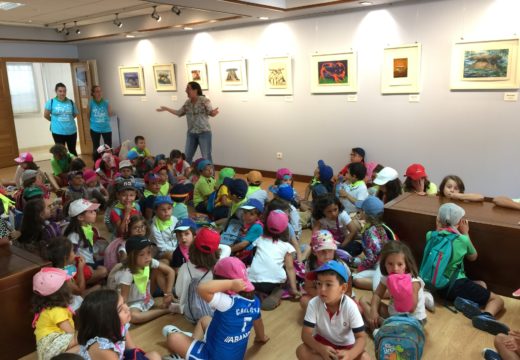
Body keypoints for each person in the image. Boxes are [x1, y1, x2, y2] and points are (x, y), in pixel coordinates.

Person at [163, 257, 269, 360]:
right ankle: (193, 342)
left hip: (211, 356)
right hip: (235, 356)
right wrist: (261, 337)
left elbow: (201, 288)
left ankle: (184, 356)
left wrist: (230, 284)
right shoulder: (254, 300)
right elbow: (258, 323)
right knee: (205, 319)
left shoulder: (227, 302)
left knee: (172, 337)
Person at [429, 203, 508, 335]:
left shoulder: (431, 235)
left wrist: (439, 227)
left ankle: (467, 302)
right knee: (497, 300)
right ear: (460, 222)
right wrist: (466, 233)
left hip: (439, 287)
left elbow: (438, 237)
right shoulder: (462, 240)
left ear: (438, 220)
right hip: (457, 285)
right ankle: (487, 316)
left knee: (482, 284)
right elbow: (473, 257)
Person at [296, 260, 369, 360]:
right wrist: (321, 349)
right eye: (318, 283)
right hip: (323, 342)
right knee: (301, 350)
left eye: (328, 284)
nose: (322, 289)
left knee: (365, 358)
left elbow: (362, 338)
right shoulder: (314, 303)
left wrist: (350, 355)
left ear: (343, 288)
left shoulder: (350, 306)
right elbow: (306, 334)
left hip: (346, 347)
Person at [108, 235, 176, 323]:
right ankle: (166, 310)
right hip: (132, 302)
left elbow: (170, 272)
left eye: (148, 252)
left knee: (158, 271)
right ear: (132, 256)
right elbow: (123, 299)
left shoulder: (150, 262)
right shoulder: (127, 273)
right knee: (134, 317)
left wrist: (168, 293)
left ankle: (170, 300)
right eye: (142, 254)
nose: (147, 257)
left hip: (145, 295)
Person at [77, 289, 160, 360]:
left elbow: (132, 350)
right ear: (105, 320)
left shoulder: (121, 325)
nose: (127, 308)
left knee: (154, 356)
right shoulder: (103, 348)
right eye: (120, 309)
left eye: (124, 303)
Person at [360, 241, 427, 329]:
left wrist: (400, 287)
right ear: (384, 264)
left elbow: (411, 308)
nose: (395, 269)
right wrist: (373, 311)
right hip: (394, 315)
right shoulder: (386, 278)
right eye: (390, 264)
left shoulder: (414, 281)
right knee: (364, 300)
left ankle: (379, 327)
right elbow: (377, 294)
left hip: (413, 320)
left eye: (400, 264)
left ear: (406, 265)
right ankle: (379, 324)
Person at [248, 209, 300, 310]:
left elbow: (253, 255)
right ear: (286, 228)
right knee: (285, 274)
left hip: (253, 281)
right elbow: (290, 268)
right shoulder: (286, 246)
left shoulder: (259, 240)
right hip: (273, 283)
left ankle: (255, 293)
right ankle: (277, 292)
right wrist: (293, 288)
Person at [156, 81, 220, 163]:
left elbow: (210, 113)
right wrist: (166, 109)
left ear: (195, 90)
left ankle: (211, 175)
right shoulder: (187, 103)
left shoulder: (205, 101)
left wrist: (213, 113)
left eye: (188, 88)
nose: (186, 90)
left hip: (204, 133)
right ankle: (187, 175)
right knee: (187, 157)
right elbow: (179, 113)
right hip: (191, 133)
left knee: (206, 157)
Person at [32, 267, 79, 359]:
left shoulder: (47, 307)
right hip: (52, 345)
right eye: (68, 282)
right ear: (63, 291)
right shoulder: (57, 310)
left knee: (81, 345)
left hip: (46, 349)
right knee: (84, 338)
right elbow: (71, 332)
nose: (71, 282)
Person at [300, 230, 352, 310]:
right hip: (319, 296)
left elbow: (348, 292)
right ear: (314, 251)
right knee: (304, 301)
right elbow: (309, 287)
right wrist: (324, 297)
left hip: (338, 299)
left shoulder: (342, 266)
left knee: (358, 309)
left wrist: (334, 300)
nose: (327, 256)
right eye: (322, 251)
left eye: (330, 250)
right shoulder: (310, 265)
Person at [350, 196, 392, 290]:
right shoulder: (380, 226)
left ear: (365, 213)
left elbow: (372, 258)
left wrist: (359, 268)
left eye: (360, 210)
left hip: (381, 267)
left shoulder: (370, 232)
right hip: (383, 264)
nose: (359, 212)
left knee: (356, 278)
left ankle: (388, 287)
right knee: (356, 261)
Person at [64, 199, 108, 285]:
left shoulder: (88, 228)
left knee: (108, 266)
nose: (95, 213)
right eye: (91, 212)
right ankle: (81, 284)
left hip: (90, 260)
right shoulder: (74, 235)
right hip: (81, 264)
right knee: (103, 271)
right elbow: (69, 256)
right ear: (80, 217)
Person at [44, 83, 79, 156]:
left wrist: (67, 119)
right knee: (61, 153)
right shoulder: (51, 102)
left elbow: (75, 114)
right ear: (56, 91)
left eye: (64, 91)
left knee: (72, 151)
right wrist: (54, 121)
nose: (62, 93)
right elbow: (46, 115)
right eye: (60, 91)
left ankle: (75, 167)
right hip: (57, 132)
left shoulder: (71, 102)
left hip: (71, 131)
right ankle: (63, 167)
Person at [87, 85, 113, 161]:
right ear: (93, 93)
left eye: (100, 91)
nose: (99, 93)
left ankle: (109, 162)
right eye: (97, 91)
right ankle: (96, 164)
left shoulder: (106, 102)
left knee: (108, 147)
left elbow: (110, 114)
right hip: (94, 128)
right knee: (96, 147)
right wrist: (93, 124)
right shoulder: (91, 103)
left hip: (106, 128)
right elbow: (88, 115)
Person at [151, 195, 178, 261]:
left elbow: (179, 234)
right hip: (161, 252)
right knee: (172, 256)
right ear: (155, 211)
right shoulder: (154, 227)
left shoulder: (174, 219)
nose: (166, 212)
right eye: (163, 209)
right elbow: (161, 247)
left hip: (176, 248)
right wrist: (177, 251)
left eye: (169, 208)